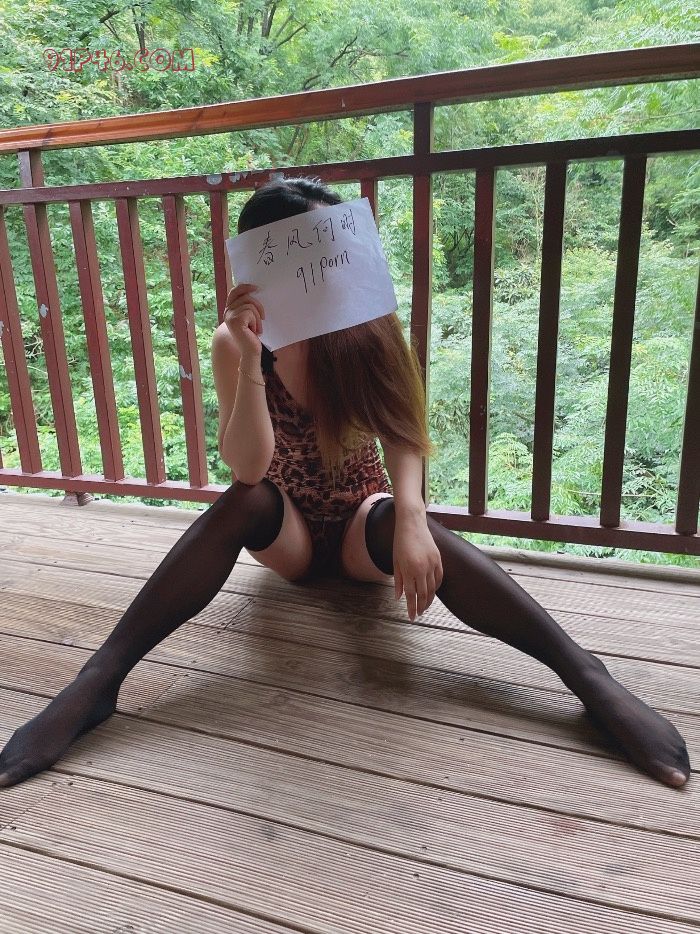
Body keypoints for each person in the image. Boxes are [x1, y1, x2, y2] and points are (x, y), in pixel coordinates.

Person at [0, 177, 690, 790]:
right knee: (244, 499)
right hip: (288, 534)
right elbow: (248, 468)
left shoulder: (368, 325)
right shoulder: (236, 341)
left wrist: (413, 519)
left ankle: (586, 675)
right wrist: (249, 359)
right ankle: (98, 682)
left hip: (364, 522)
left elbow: (402, 433)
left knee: (401, 520)